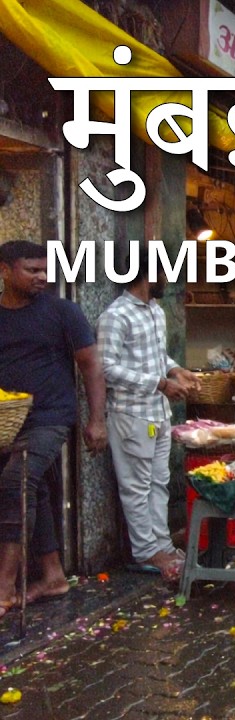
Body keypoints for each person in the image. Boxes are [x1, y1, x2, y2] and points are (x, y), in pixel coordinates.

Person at [0, 241, 107, 614]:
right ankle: (53, 576)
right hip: (8, 420)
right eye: (32, 270)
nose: (42, 277)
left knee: (17, 481)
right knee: (38, 490)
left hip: (51, 416)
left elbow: (91, 365)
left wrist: (97, 419)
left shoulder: (63, 312)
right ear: (5, 271)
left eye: (45, 270)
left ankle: (5, 586)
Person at [98, 270, 202, 582]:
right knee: (136, 486)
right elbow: (106, 368)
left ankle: (163, 545)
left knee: (159, 481)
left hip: (157, 414)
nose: (168, 279)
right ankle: (145, 552)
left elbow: (156, 355)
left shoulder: (156, 311)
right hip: (131, 414)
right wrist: (159, 384)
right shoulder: (116, 316)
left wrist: (176, 369)